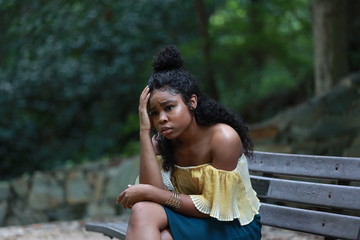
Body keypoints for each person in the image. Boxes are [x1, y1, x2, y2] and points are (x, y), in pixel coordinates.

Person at [117, 45, 261, 240]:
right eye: (154, 113)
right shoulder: (163, 142)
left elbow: (211, 207)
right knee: (144, 212)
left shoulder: (222, 138)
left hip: (233, 225)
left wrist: (152, 193)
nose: (162, 118)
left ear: (192, 102)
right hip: (191, 219)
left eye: (169, 108)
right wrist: (144, 130)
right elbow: (152, 201)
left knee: (154, 223)